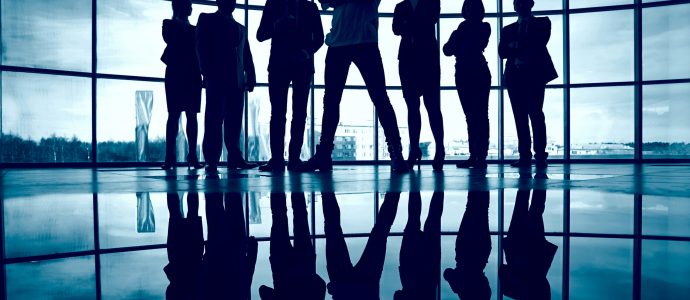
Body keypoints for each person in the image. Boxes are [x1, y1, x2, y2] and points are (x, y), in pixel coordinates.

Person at [298, 0, 409, 173]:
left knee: (339, 100)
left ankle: (324, 155)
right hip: (356, 42)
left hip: (350, 42)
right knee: (377, 98)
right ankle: (396, 153)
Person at [257, 0, 324, 172]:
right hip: (290, 65)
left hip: (290, 64)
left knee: (290, 113)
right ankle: (288, 160)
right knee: (286, 113)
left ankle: (285, 159)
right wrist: (277, 25)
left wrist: (304, 53)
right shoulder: (276, 4)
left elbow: (320, 38)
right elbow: (260, 34)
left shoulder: (279, 4)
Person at [197, 0, 258, 173]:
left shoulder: (241, 28)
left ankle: (234, 157)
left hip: (236, 81)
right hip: (216, 78)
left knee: (234, 120)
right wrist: (206, 73)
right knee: (214, 120)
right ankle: (212, 159)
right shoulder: (207, 20)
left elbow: (246, 54)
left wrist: (251, 75)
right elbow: (201, 47)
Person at [499, 0, 558, 168]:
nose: (519, 5)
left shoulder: (542, 22)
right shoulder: (508, 29)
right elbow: (502, 52)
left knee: (535, 114)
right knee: (521, 117)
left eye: (522, 2)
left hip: (533, 76)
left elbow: (537, 44)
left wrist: (514, 45)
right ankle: (526, 155)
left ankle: (539, 155)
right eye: (517, 2)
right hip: (515, 76)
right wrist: (520, 45)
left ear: (531, 4)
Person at [393, 0, 445, 171]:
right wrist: (414, 23)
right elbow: (396, 29)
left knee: (431, 106)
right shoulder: (402, 6)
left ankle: (438, 148)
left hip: (426, 60)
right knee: (413, 106)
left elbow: (429, 21)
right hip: (409, 60)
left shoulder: (429, 3)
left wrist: (407, 23)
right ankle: (415, 148)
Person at [322, 192, 400, 299]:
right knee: (333, 230)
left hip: (366, 283)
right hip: (344, 283)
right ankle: (327, 193)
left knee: (381, 231)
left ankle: (394, 194)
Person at [443, 0, 492, 169]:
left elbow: (453, 48)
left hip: (473, 71)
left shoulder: (482, 27)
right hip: (467, 72)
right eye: (467, 7)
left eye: (472, 7)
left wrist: (458, 38)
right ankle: (476, 155)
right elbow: (447, 50)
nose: (469, 10)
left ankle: (480, 155)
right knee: (472, 115)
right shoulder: (464, 30)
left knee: (478, 115)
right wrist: (458, 38)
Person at [161, 0, 204, 170]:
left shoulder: (193, 29)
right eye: (188, 5)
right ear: (181, 7)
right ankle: (171, 157)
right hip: (178, 75)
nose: (191, 8)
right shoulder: (170, 25)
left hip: (189, 75)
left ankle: (190, 156)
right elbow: (169, 40)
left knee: (191, 116)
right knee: (174, 115)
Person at [259, 193, 327, 300]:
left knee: (300, 217)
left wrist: (308, 275)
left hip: (305, 262)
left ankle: (297, 186)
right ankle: (278, 185)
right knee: (278, 216)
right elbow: (263, 289)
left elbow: (320, 284)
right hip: (281, 265)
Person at [499, 189, 557, 300]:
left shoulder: (516, 291)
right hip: (517, 247)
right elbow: (503, 270)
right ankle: (526, 177)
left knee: (535, 209)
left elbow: (543, 284)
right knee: (522, 206)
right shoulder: (511, 290)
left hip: (534, 249)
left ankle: (539, 177)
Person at [201, 192, 258, 300]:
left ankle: (228, 178)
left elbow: (247, 274)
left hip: (235, 250)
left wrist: (252, 250)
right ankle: (213, 177)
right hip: (217, 251)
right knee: (215, 205)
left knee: (233, 201)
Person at [444, 190, 492, 300]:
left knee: (483, 211)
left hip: (482, 253)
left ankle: (481, 182)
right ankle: (476, 180)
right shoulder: (459, 288)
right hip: (464, 249)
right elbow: (447, 272)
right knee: (471, 208)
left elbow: (485, 283)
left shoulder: (485, 296)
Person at [394, 192, 443, 300]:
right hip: (409, 266)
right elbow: (397, 294)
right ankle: (415, 185)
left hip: (429, 268)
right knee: (414, 218)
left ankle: (439, 186)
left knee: (433, 218)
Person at [164, 193, 204, 299]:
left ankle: (192, 184)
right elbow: (170, 291)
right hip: (177, 259)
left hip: (194, 257)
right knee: (175, 214)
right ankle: (172, 185)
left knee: (192, 213)